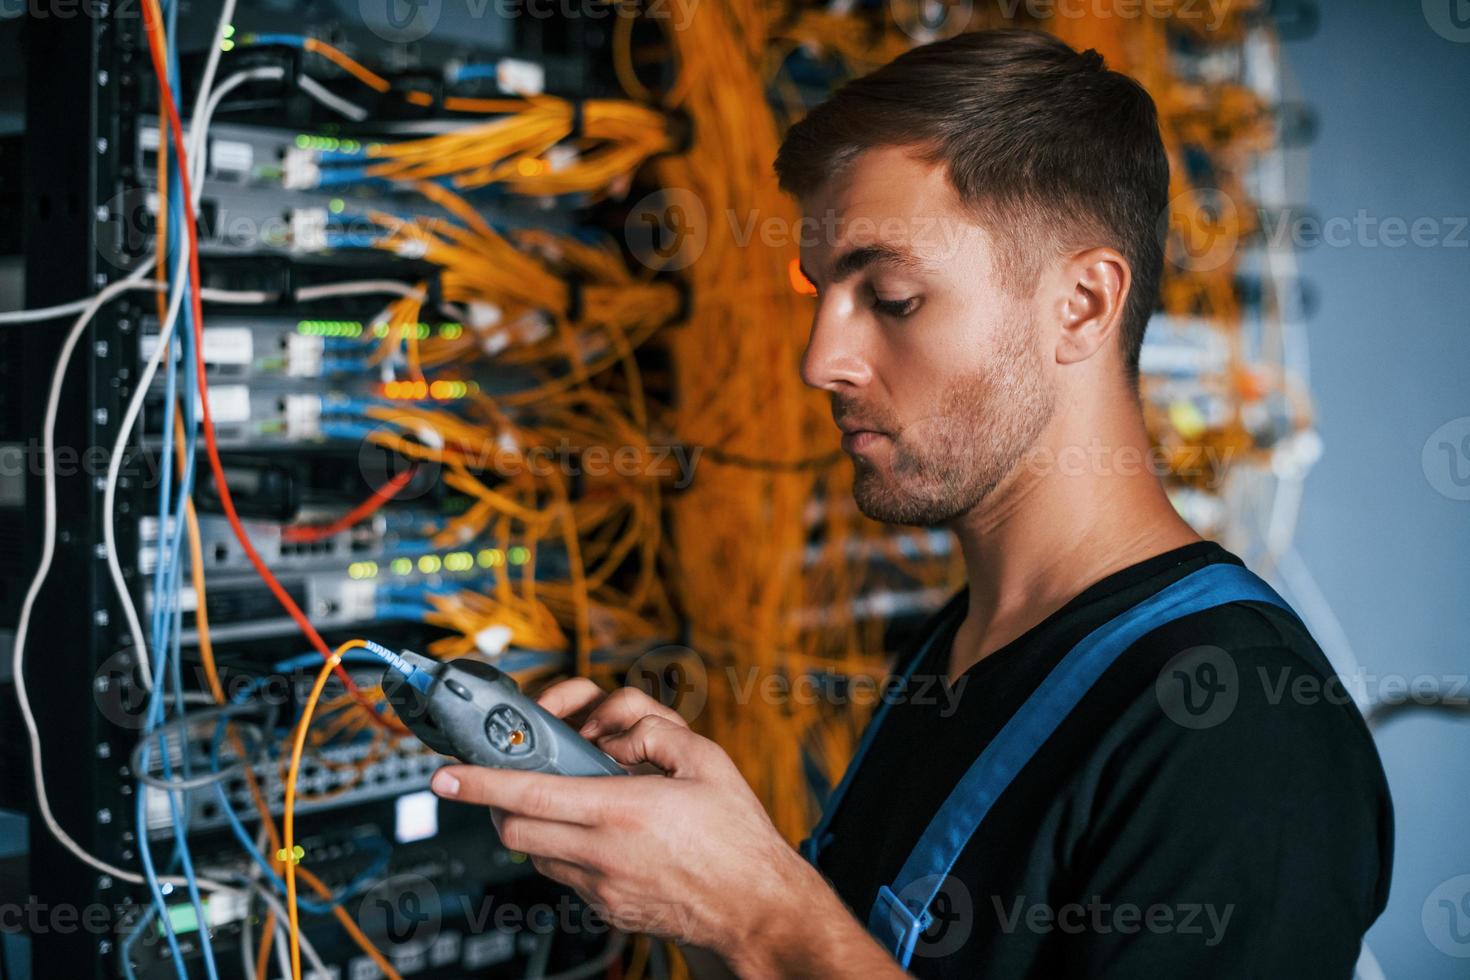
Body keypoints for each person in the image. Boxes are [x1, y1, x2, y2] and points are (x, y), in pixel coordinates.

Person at [429, 29, 1392, 977]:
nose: (820, 361)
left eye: (891, 297)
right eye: (820, 292)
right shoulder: (970, 638)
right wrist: (703, 893)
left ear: (1085, 305)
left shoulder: (1242, 742)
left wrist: (764, 912)